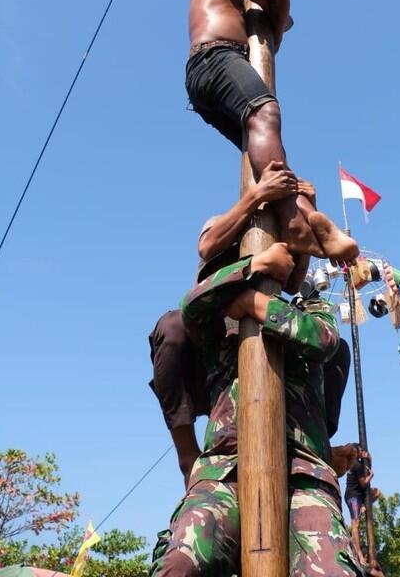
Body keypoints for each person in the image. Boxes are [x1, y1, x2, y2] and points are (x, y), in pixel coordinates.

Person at [150, 243, 363, 577]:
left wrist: (255, 303)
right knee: (179, 565)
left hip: (304, 473)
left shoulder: (311, 308)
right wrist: (253, 266)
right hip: (224, 469)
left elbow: (323, 339)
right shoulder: (217, 324)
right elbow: (190, 304)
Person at [149, 163, 353, 484]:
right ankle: (188, 457)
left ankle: (316, 448)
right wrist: (257, 195)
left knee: (334, 348)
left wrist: (306, 218)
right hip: (215, 323)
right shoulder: (222, 221)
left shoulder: (278, 228)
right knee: (171, 327)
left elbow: (292, 283)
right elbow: (205, 248)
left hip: (258, 315)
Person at [185, 0, 359, 267]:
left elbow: (277, 6)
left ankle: (312, 224)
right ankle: (295, 223)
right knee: (265, 113)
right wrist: (275, 22)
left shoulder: (228, 0)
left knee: (262, 147)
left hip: (205, 74)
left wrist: (270, 14)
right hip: (216, 56)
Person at [344, 446, 382, 566]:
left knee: (377, 492)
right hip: (353, 497)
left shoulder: (360, 464)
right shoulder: (355, 464)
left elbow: (366, 471)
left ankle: (364, 506)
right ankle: (359, 554)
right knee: (356, 524)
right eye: (361, 451)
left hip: (359, 496)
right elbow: (364, 482)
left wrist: (370, 459)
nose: (364, 452)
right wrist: (372, 476)